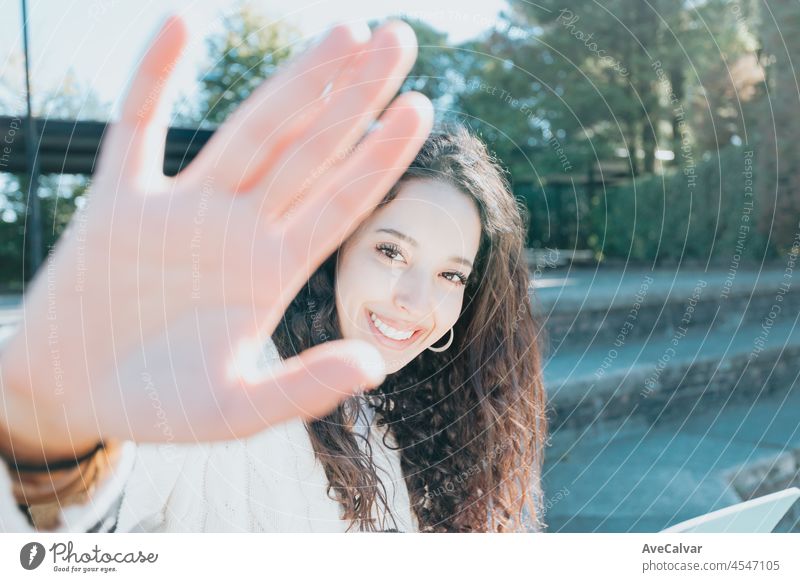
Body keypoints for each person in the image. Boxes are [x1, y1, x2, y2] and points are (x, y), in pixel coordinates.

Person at [0, 15, 547, 533]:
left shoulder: (415, 428)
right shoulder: (227, 373)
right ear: (336, 248)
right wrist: (39, 434)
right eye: (391, 251)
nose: (414, 298)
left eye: (452, 276)